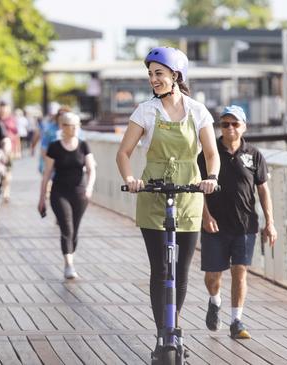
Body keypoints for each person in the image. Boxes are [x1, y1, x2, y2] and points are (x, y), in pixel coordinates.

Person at [115, 47, 220, 360]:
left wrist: (211, 176)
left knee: (181, 269)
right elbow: (123, 152)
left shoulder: (198, 110)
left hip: (190, 191)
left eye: (159, 73)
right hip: (153, 191)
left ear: (176, 75)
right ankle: (164, 334)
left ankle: (173, 327)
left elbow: (211, 153)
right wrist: (132, 179)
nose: (153, 79)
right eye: (150, 74)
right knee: (160, 268)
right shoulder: (146, 111)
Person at [197, 105, 277, 340]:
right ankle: (215, 301)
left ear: (244, 127)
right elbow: (198, 189)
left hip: (245, 225)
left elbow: (263, 190)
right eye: (225, 124)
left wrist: (270, 222)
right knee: (213, 276)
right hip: (215, 225)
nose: (230, 128)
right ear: (219, 127)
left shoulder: (254, 155)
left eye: (235, 124)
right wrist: (205, 217)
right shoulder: (208, 154)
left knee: (239, 272)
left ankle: (236, 320)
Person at [38, 112, 96, 279]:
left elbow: (91, 170)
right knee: (66, 227)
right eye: (73, 125)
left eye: (78, 125)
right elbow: (47, 173)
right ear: (63, 127)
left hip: (80, 193)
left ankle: (70, 257)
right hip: (59, 193)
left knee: (75, 230)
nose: (77, 128)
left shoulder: (83, 145)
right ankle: (68, 264)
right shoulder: (54, 147)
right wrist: (42, 198)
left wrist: (90, 187)